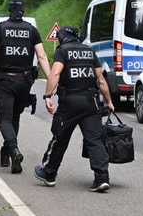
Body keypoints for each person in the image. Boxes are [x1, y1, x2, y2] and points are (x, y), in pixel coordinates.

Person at [33, 26, 115, 192]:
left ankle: (49, 173)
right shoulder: (89, 51)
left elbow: (55, 74)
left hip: (69, 102)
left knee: (60, 137)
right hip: (90, 102)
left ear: (62, 37)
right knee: (95, 140)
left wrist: (48, 96)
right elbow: (100, 80)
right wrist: (108, 101)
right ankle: (101, 178)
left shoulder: (62, 51)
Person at [0, 0, 51, 174]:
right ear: (23, 10)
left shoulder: (0, 29)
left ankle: (14, 150)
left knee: (4, 118)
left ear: (9, 10)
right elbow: (41, 56)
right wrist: (51, 79)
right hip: (25, 81)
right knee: (15, 117)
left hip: (4, 80)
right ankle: (7, 150)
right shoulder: (31, 30)